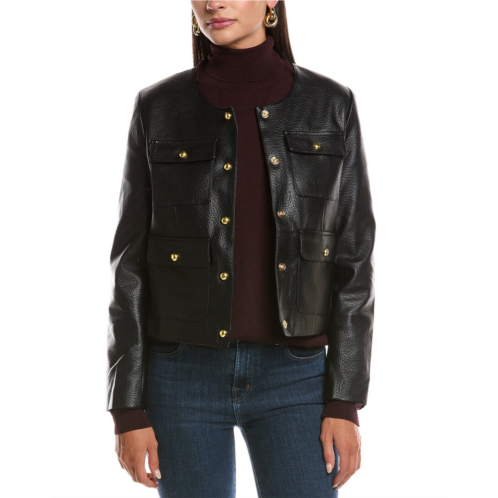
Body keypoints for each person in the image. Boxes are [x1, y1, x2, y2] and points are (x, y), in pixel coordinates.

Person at [107, 1, 376, 497]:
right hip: (181, 375)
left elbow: (354, 258)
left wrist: (345, 399)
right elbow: (130, 265)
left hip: (297, 377)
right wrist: (127, 407)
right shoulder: (158, 107)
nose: (213, 2)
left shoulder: (330, 104)